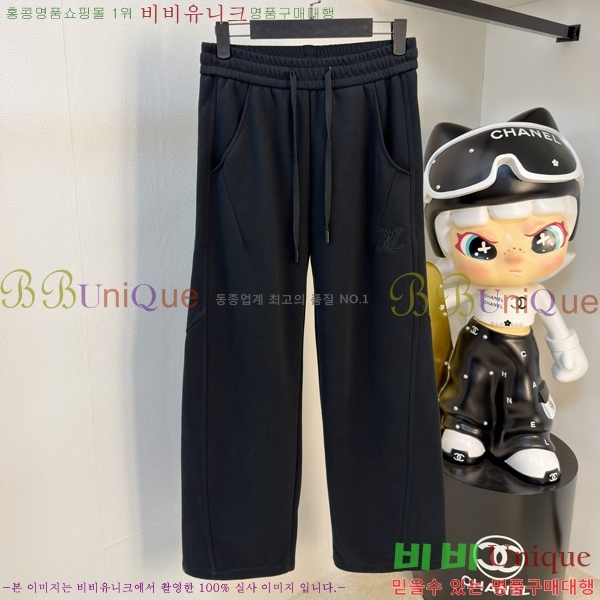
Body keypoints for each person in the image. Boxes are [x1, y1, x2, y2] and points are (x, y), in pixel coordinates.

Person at [423, 108, 588, 485]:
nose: (515, 257)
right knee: (469, 387)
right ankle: (465, 426)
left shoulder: (537, 295)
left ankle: (523, 439)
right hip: (476, 345)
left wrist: (568, 352)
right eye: (481, 245)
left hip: (520, 351)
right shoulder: (470, 288)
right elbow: (441, 305)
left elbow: (556, 326)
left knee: (522, 392)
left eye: (541, 239)